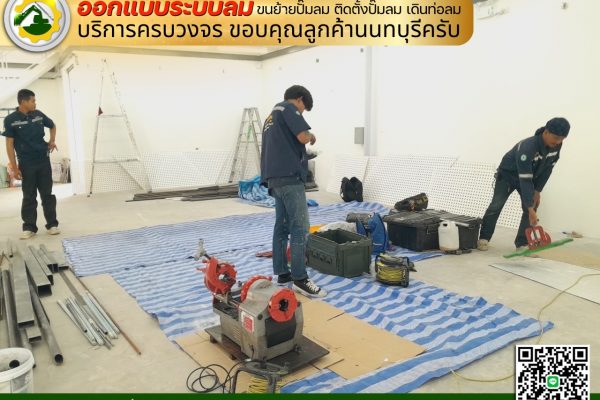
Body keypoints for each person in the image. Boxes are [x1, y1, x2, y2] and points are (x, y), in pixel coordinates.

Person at [260, 85, 327, 298]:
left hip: (274, 178)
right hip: (290, 178)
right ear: (299, 100)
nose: (302, 112)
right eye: (303, 108)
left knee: (281, 226)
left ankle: (283, 273)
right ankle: (300, 278)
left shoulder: (271, 116)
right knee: (300, 227)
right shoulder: (288, 109)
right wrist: (312, 136)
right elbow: (302, 137)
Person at [478, 117, 570, 251]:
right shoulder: (528, 147)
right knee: (496, 205)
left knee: (531, 206)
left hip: (528, 176)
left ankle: (521, 243)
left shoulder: (556, 146)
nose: (558, 142)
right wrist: (530, 208)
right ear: (546, 132)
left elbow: (547, 170)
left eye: (562, 139)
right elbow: (525, 180)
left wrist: (537, 191)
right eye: (556, 138)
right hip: (508, 176)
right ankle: (484, 238)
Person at [2, 89, 60, 239]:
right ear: (23, 102)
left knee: (47, 194)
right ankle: (29, 227)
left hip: (43, 160)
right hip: (26, 164)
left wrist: (52, 140)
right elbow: (9, 145)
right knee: (29, 196)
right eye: (33, 100)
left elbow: (52, 125)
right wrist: (15, 167)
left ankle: (52, 225)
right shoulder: (10, 120)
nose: (35, 103)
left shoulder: (38, 115)